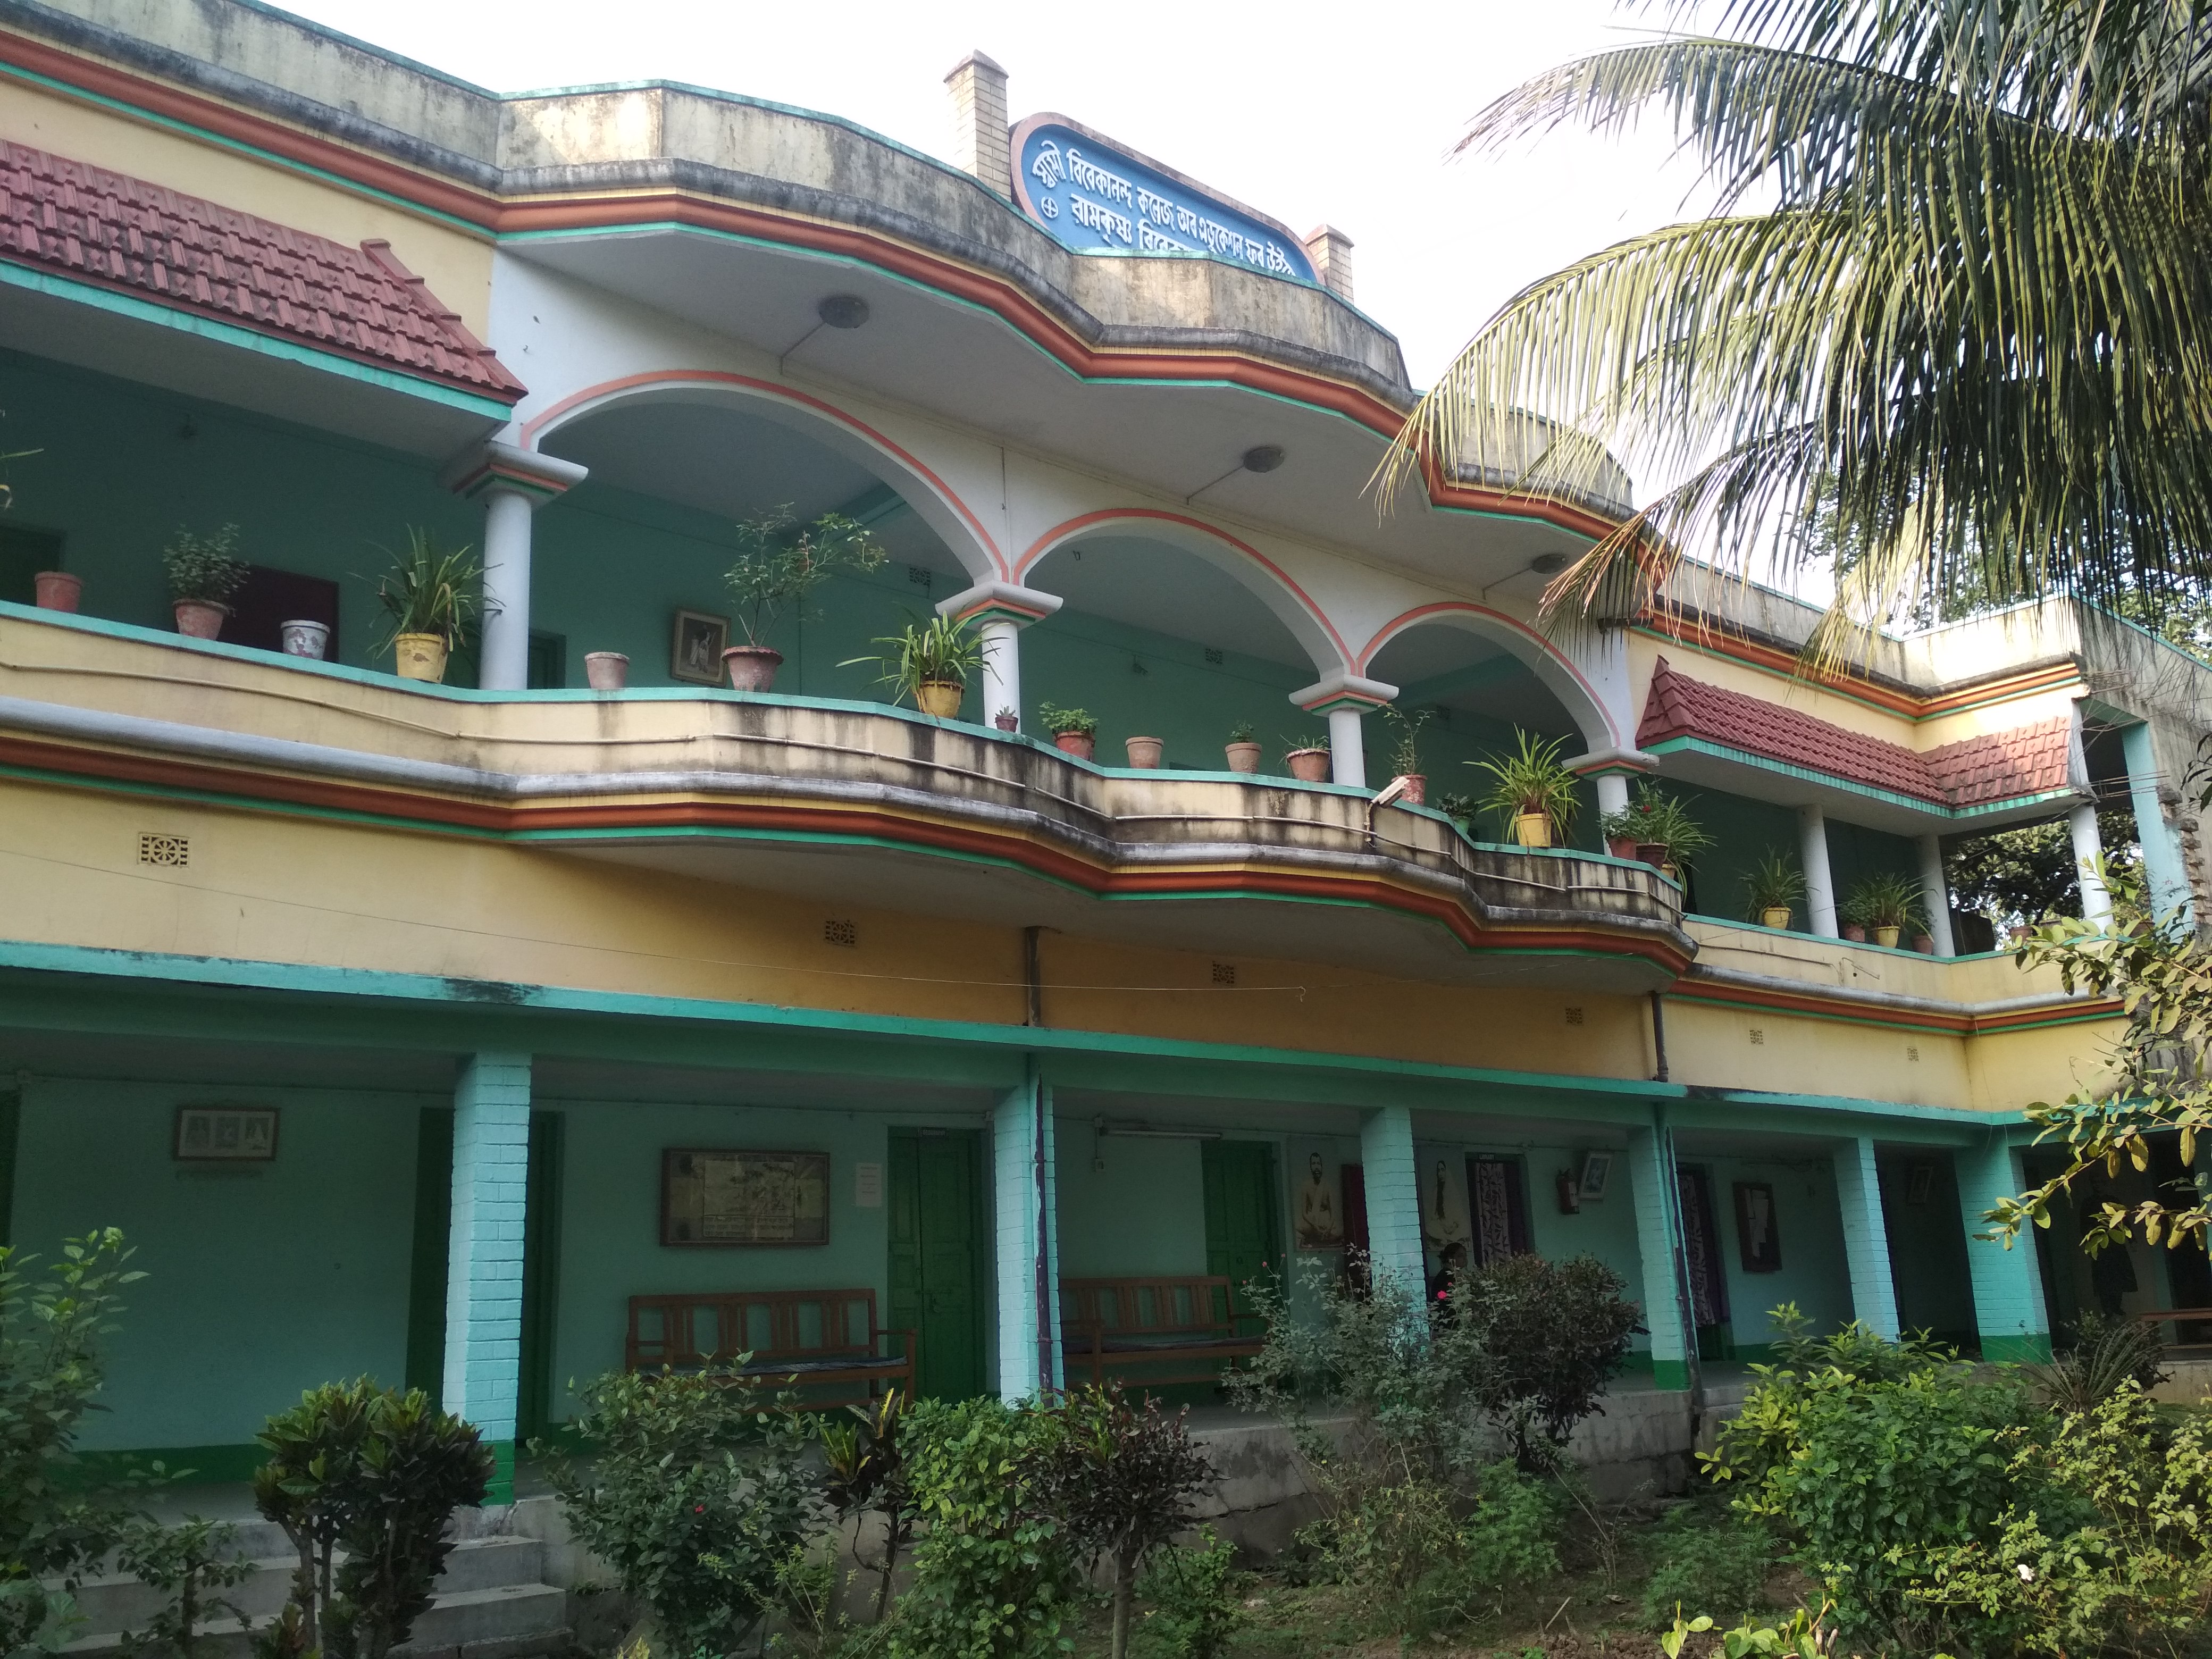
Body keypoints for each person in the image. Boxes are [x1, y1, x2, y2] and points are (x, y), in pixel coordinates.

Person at [1296, 1151, 1341, 1249]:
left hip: (1325, 1221)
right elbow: (1304, 1213)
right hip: (1312, 1221)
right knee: (1300, 1227)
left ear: (1322, 1166)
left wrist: (1328, 1228)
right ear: (1310, 1167)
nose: (1316, 1167)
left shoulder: (1327, 1186)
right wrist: (1315, 1226)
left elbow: (1333, 1213)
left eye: (1318, 1164)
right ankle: (1320, 1237)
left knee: (1339, 1231)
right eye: (1314, 1164)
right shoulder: (1306, 1187)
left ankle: (1320, 1237)